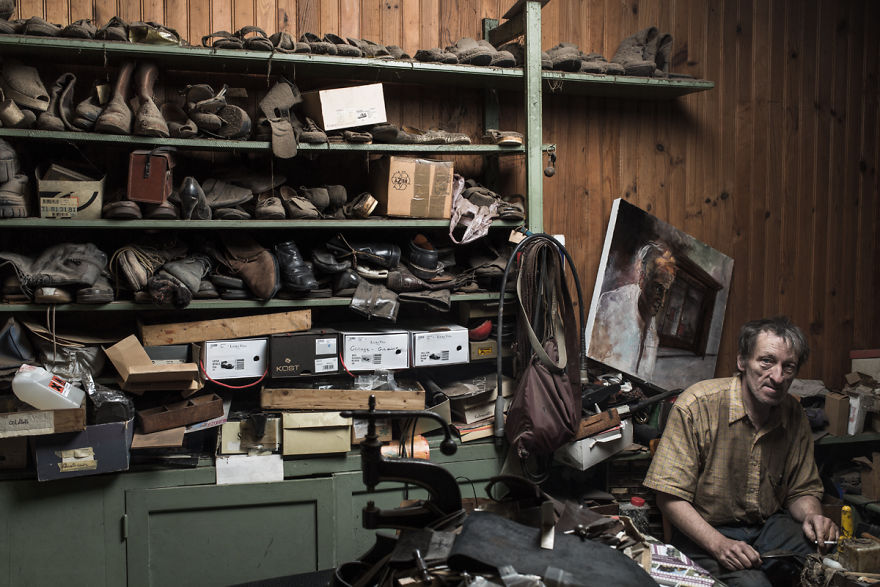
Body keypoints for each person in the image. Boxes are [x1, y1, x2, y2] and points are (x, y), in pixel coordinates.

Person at [643, 316, 838, 586]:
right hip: (705, 533)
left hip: (768, 527)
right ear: (742, 361)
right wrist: (719, 544)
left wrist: (813, 516)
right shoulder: (697, 405)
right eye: (766, 361)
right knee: (753, 584)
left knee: (837, 564)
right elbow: (668, 498)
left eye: (788, 366)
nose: (778, 377)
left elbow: (801, 490)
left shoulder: (794, 414)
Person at [590, 242, 676, 380]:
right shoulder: (611, 304)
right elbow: (591, 361)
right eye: (658, 288)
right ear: (642, 278)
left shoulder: (653, 335)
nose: (662, 301)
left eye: (666, 291)